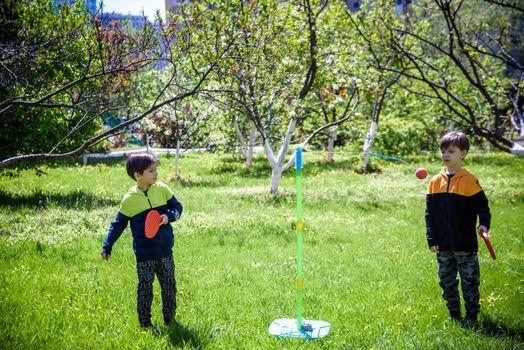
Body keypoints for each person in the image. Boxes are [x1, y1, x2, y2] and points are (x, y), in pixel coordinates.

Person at [101, 153, 183, 331]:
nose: (156, 174)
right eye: (151, 171)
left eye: (156, 170)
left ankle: (170, 321)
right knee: (145, 290)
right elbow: (118, 225)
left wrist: (168, 216)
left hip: (165, 251)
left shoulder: (162, 189)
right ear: (138, 175)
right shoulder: (130, 200)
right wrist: (107, 245)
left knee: (169, 287)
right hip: (145, 254)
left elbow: (178, 207)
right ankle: (145, 325)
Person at [425, 131, 491, 327]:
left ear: (463, 153)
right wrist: (432, 239)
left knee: (470, 281)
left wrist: (484, 224)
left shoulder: (469, 181)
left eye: (451, 151)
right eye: (443, 151)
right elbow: (429, 215)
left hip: (465, 244)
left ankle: (471, 316)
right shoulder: (434, 182)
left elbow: (483, 207)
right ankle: (454, 313)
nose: (445, 155)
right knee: (446, 281)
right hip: (442, 245)